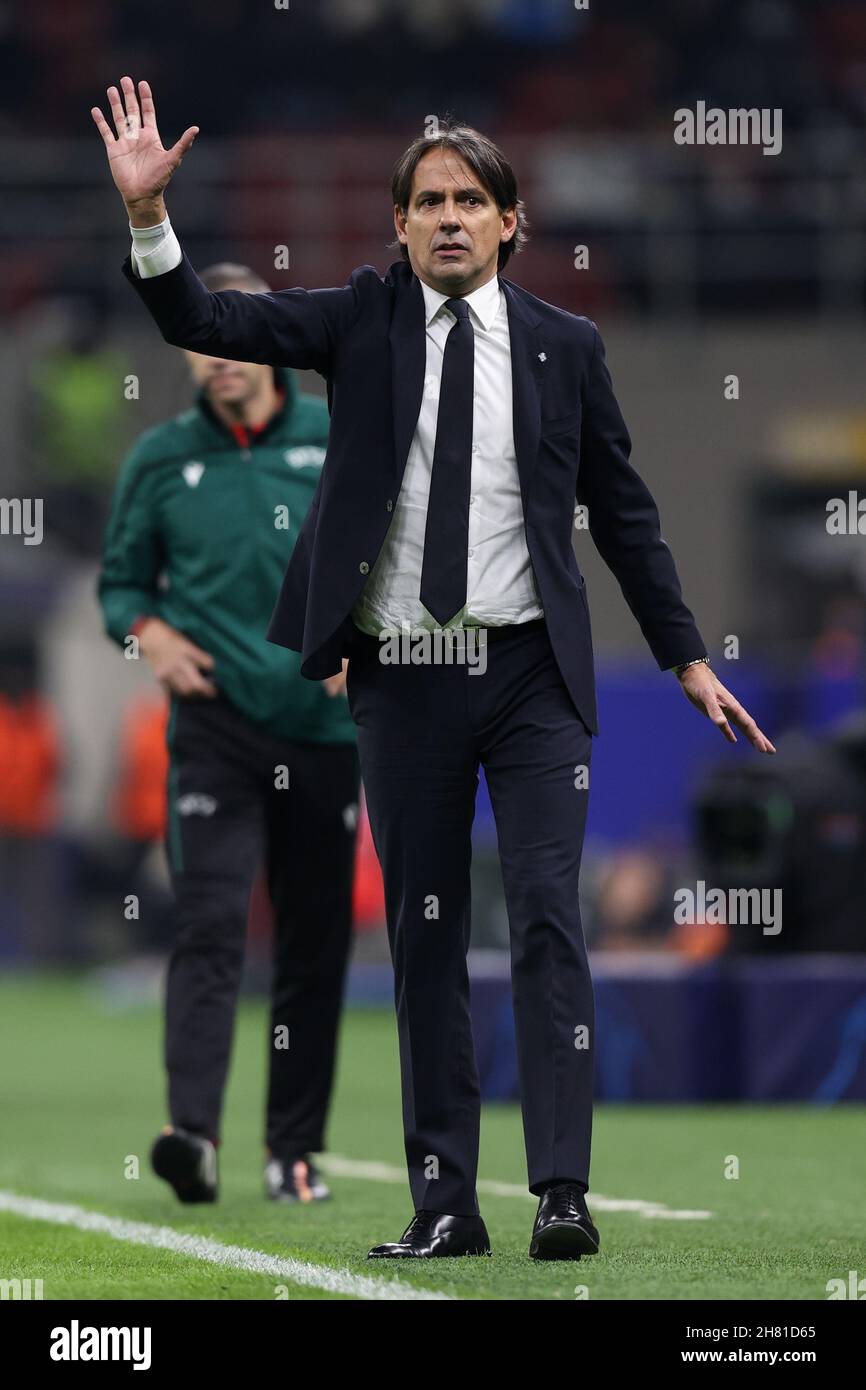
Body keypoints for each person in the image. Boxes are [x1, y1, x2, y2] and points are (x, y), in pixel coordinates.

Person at [92, 78, 775, 1259]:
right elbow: (205, 322)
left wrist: (682, 658)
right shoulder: (356, 319)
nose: (448, 217)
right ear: (398, 226)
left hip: (527, 677)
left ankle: (560, 1190)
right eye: (427, 202)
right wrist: (151, 219)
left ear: (511, 221)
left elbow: (624, 514)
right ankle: (444, 1200)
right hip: (401, 678)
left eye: (469, 199)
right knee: (423, 935)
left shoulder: (568, 347)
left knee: (548, 922)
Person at [98, 256, 360, 1206]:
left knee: (313, 942)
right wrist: (151, 633)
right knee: (208, 927)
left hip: (321, 730)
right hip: (212, 728)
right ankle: (193, 1136)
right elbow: (121, 583)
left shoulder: (336, 436)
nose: (222, 358)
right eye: (206, 343)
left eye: (238, 334)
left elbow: (394, 548)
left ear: (273, 342)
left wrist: (360, 640)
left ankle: (294, 1151)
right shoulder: (161, 459)